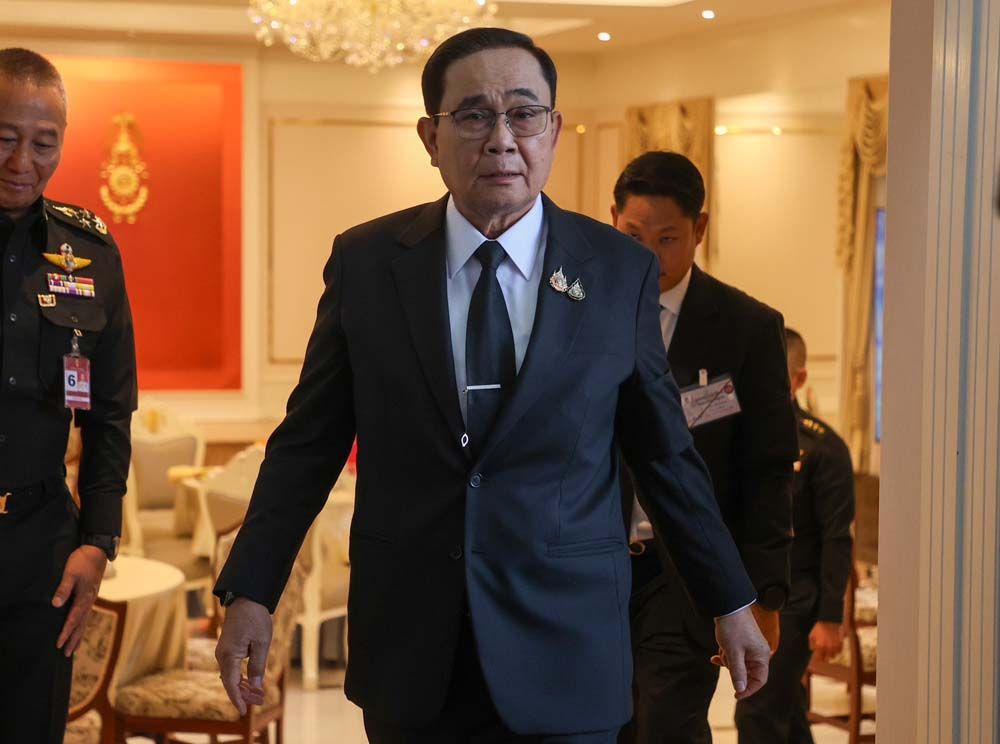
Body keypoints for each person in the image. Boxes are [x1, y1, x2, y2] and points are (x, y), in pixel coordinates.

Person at [215, 28, 770, 744]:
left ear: (554, 130)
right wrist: (253, 588)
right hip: (414, 647)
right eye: (475, 114)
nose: (502, 139)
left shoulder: (614, 269)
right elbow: (307, 446)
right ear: (430, 136)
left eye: (524, 114)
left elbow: (664, 454)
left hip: (566, 647)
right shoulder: (369, 264)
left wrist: (730, 598)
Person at [611, 151, 798, 744]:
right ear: (612, 220)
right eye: (632, 237)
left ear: (700, 228)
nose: (649, 256)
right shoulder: (584, 313)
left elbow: (768, 470)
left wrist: (764, 592)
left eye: (667, 239)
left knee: (667, 724)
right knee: (601, 726)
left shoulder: (745, 328)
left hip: (684, 573)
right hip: (594, 565)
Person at [0, 48, 136, 743]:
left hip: (40, 549)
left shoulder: (90, 253)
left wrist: (99, 542)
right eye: (4, 137)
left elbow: (110, 413)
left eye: (42, 143)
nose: (21, 161)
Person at [733, 328, 855, 743]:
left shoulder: (823, 448)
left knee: (758, 709)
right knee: (786, 712)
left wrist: (830, 617)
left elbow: (837, 538)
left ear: (799, 378)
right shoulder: (739, 434)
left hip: (797, 601)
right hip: (746, 595)